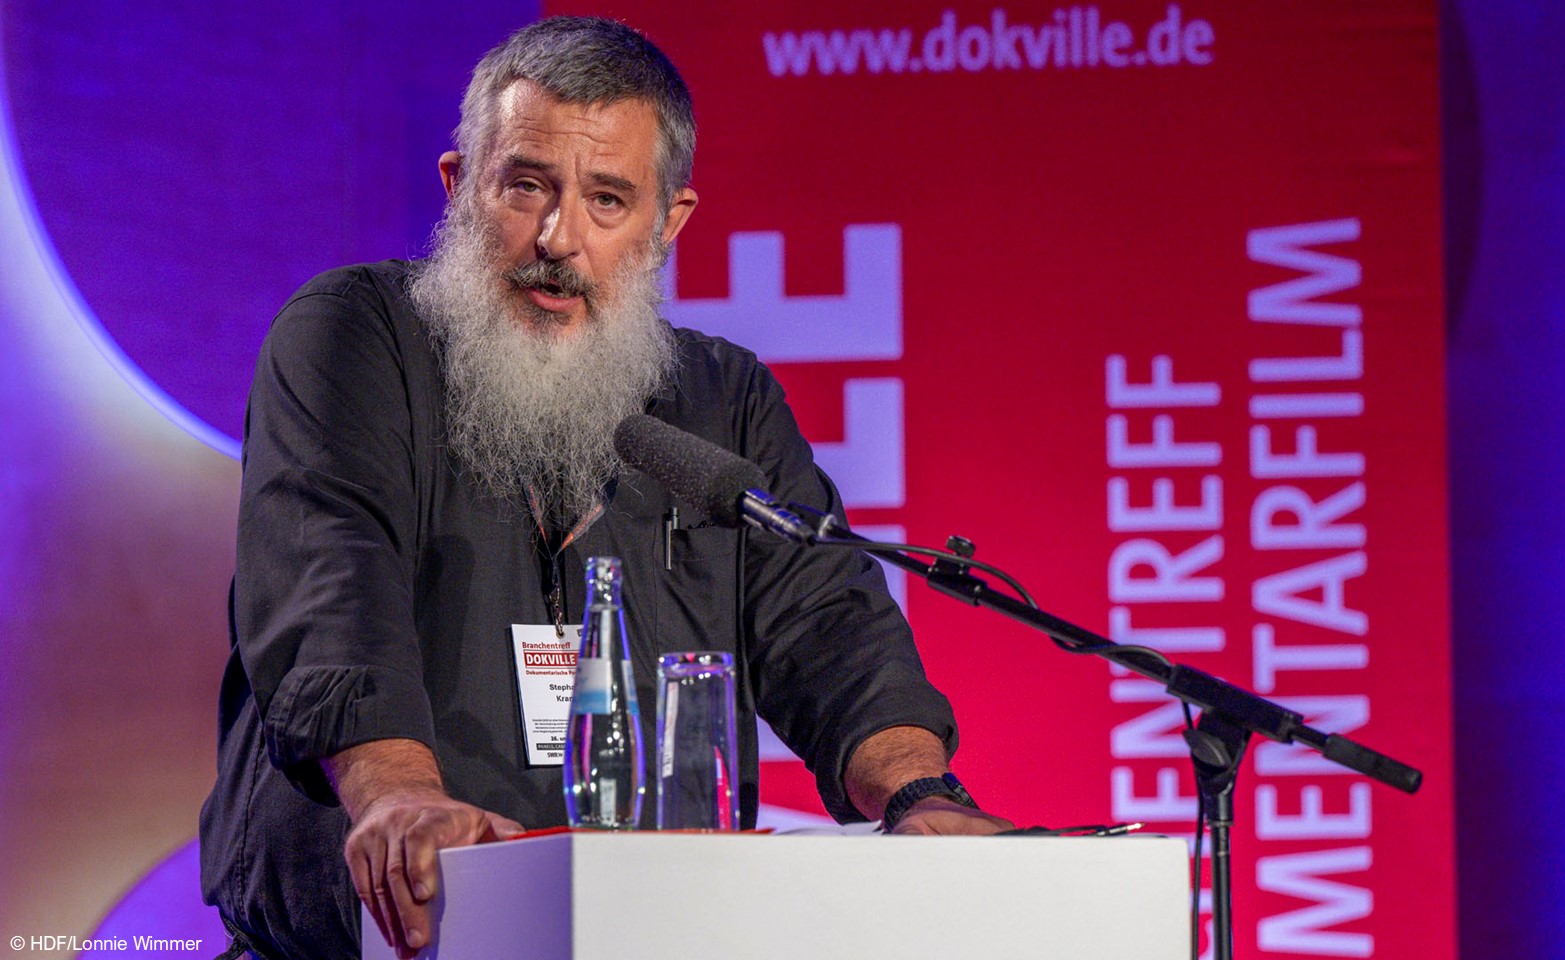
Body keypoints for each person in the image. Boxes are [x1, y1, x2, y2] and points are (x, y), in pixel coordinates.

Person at [200, 16, 1011, 960]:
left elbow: (825, 623)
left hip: (651, 932)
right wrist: (400, 795)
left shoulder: (723, 400)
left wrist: (919, 793)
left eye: (608, 199)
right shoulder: (356, 336)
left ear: (669, 223)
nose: (560, 238)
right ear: (460, 187)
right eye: (526, 187)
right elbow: (328, 585)